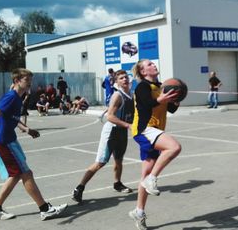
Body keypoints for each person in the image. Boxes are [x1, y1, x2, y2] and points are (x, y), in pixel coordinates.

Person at [0, 68, 67, 221]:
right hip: (3, 141)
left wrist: (27, 129)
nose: (30, 83)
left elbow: (11, 117)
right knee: (25, 173)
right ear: (17, 81)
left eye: (30, 80)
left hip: (9, 140)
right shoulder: (11, 97)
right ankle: (45, 209)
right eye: (27, 80)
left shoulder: (18, 97)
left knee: (16, 174)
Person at [128, 59, 181, 230]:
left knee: (146, 172)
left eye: (153, 63)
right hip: (144, 129)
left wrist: (176, 100)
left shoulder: (161, 86)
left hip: (154, 131)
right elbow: (146, 104)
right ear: (143, 72)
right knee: (174, 147)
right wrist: (162, 98)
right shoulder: (143, 86)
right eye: (149, 65)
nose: (153, 65)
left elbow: (170, 109)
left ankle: (139, 211)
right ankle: (152, 180)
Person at [72, 70, 135, 203]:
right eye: (121, 78)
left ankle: (117, 183)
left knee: (119, 159)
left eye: (126, 77)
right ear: (116, 82)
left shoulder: (131, 94)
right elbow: (110, 116)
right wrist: (128, 125)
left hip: (122, 131)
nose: (124, 79)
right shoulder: (117, 96)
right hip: (111, 131)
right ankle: (79, 188)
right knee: (100, 162)